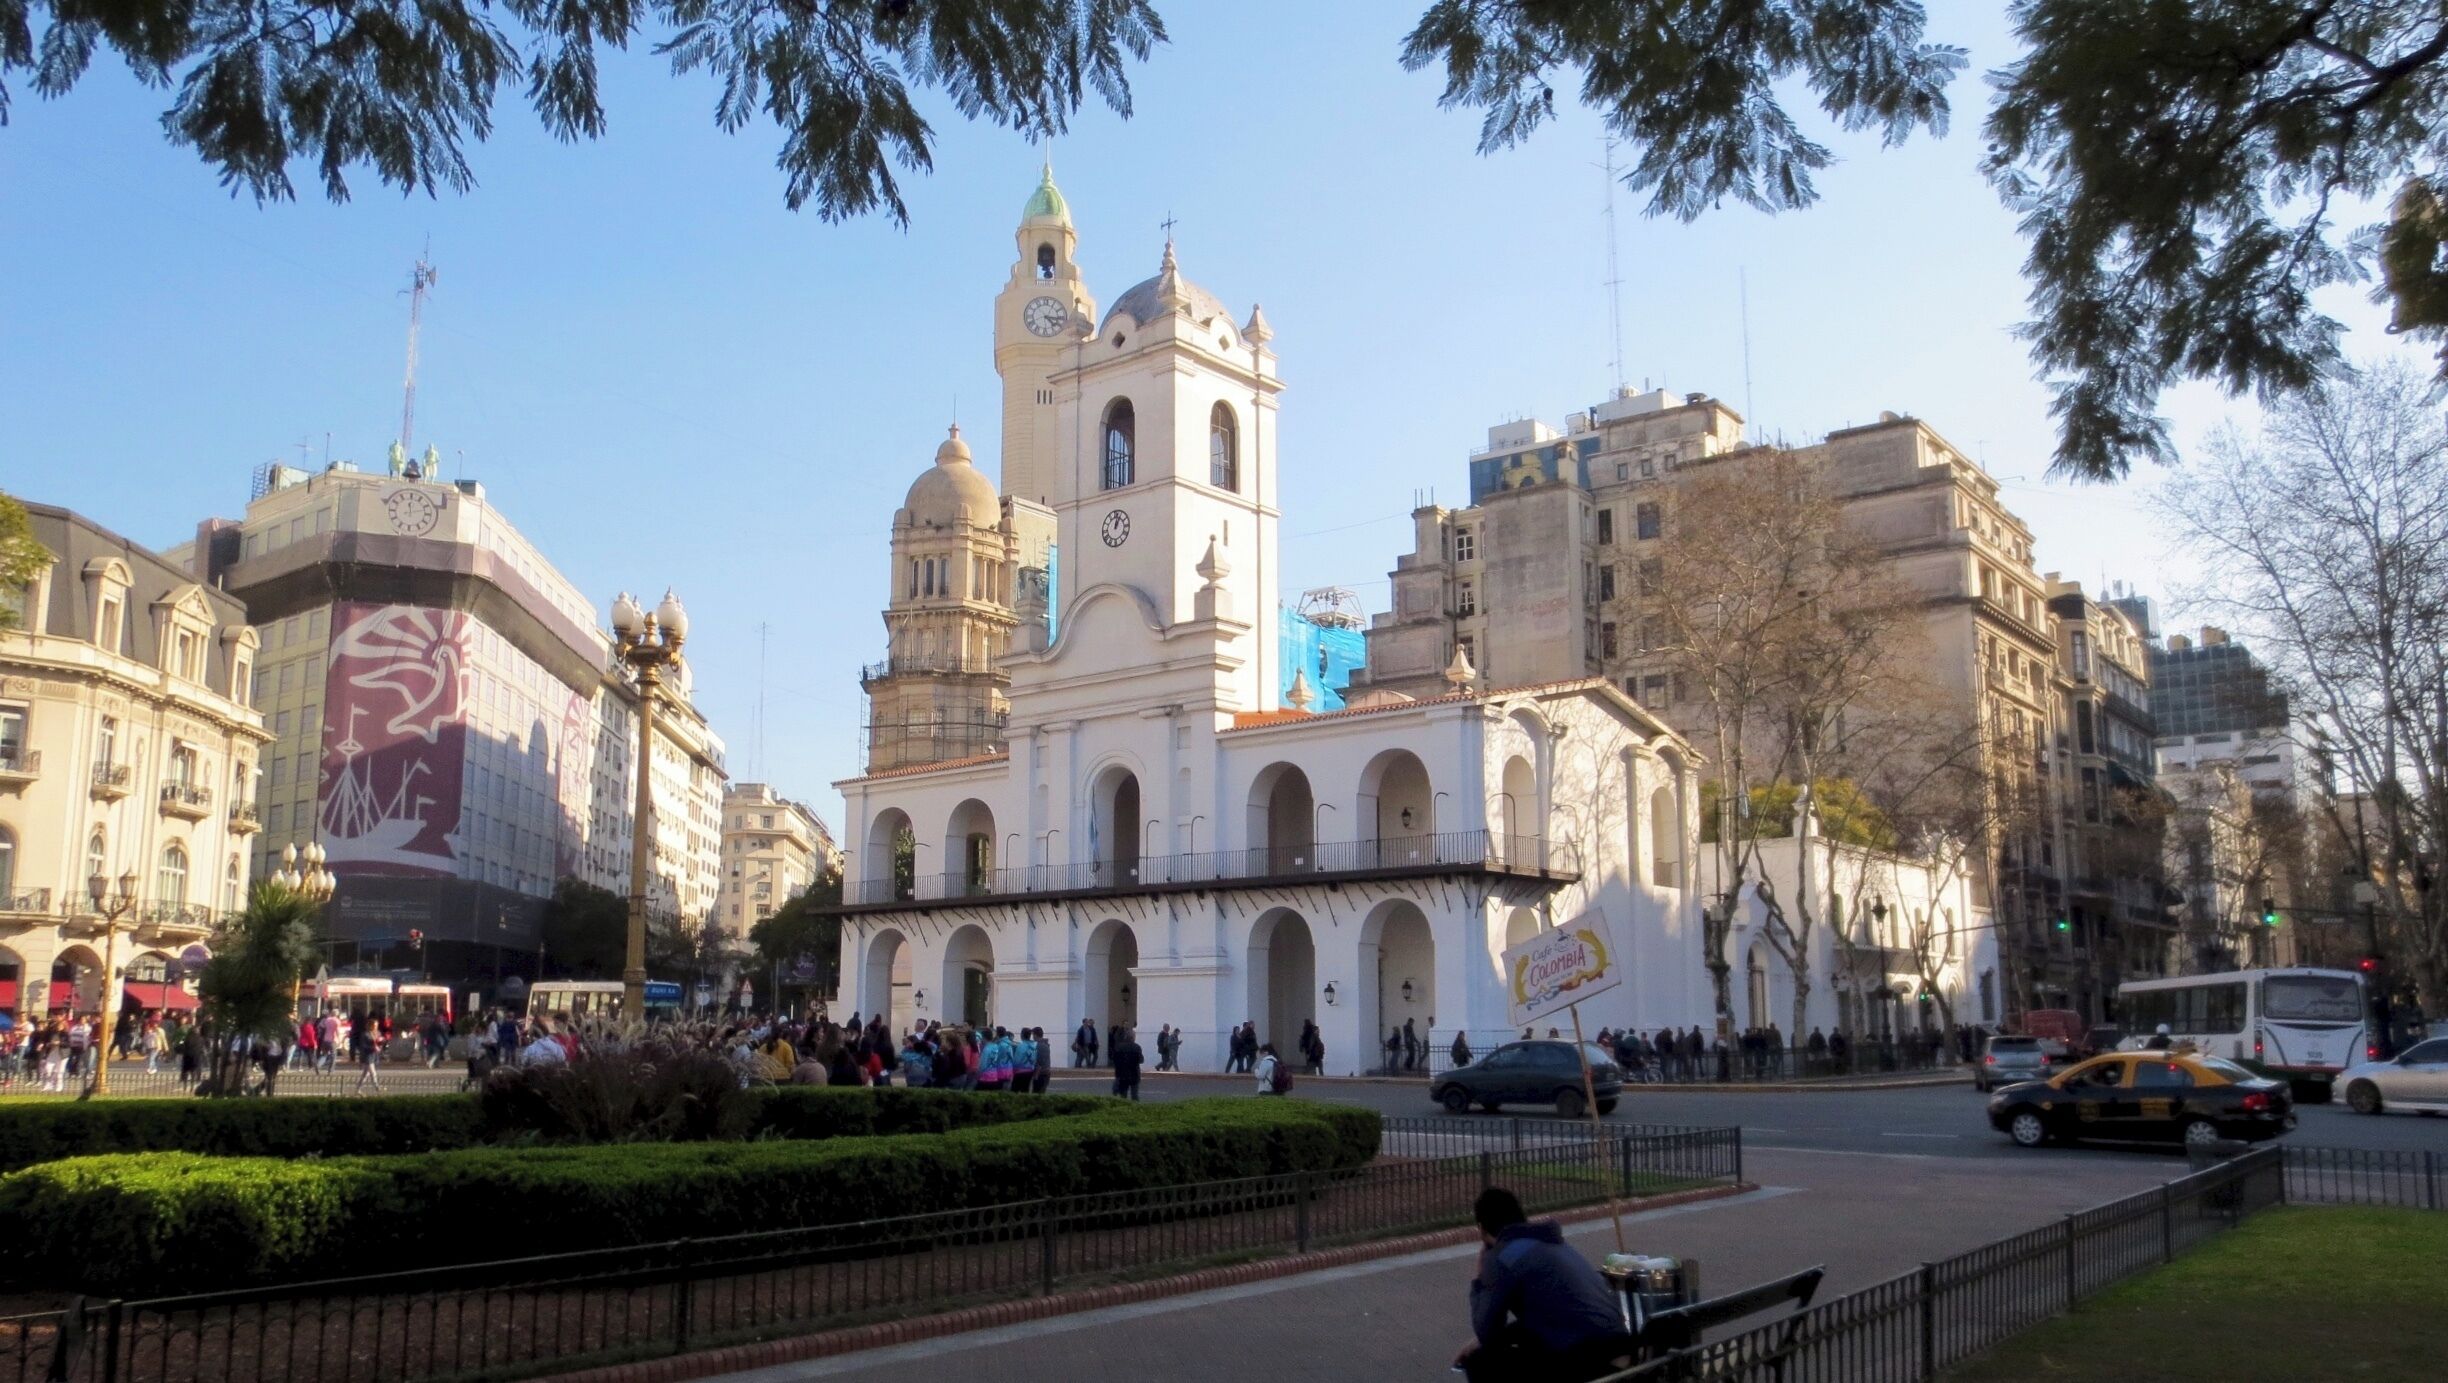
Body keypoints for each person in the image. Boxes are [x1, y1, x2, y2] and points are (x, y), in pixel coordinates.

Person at [1454, 1186, 1627, 1382]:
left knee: (1479, 1361)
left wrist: (1479, 1279)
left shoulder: (1503, 1257)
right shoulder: (1551, 1243)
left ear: (1482, 1230)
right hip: (1615, 1342)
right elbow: (1551, 1314)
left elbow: (1486, 1331)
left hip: (1581, 1353)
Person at [1110, 1024, 1144, 1101]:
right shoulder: (1137, 1047)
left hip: (1122, 1074)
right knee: (1134, 1095)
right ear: (1133, 1038)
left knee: (1123, 1096)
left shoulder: (1119, 1047)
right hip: (1134, 1073)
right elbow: (1141, 1060)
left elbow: (1114, 1059)